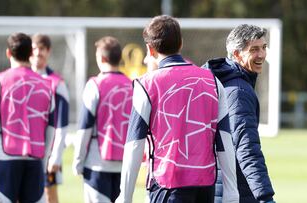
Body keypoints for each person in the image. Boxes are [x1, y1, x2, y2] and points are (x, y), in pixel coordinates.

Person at [116, 15, 239, 203]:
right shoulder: (213, 81)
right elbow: (224, 139)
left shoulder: (146, 85)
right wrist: (232, 191)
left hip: (166, 184)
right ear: (181, 43)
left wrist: (125, 195)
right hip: (205, 186)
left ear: (150, 49)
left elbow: (134, 143)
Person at [202, 24, 276, 203]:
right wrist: (265, 196)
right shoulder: (238, 91)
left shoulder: (224, 81)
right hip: (235, 190)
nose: (262, 55)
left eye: (264, 48)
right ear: (236, 54)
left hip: (219, 186)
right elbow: (246, 148)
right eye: (254, 49)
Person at [0, 32, 55, 203]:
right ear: (31, 54)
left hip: (5, 158)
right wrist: (43, 161)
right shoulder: (47, 85)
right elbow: (51, 128)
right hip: (35, 161)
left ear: (8, 53)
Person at [72, 36, 133, 203]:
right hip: (125, 164)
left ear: (102, 58)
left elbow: (85, 126)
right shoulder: (133, 85)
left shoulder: (95, 85)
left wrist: (78, 161)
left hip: (97, 163)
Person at [30, 33, 70, 203]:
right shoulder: (21, 80)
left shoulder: (56, 83)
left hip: (47, 151)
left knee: (49, 194)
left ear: (48, 51)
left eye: (42, 49)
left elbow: (62, 123)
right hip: (23, 150)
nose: (38, 52)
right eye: (34, 48)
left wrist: (56, 155)